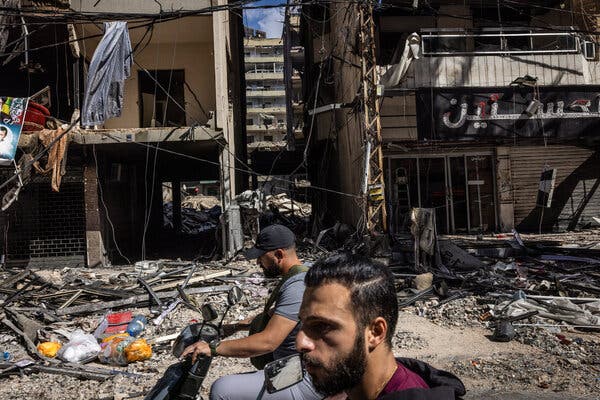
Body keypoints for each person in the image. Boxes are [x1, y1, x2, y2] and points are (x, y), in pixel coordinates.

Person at [296, 253, 465, 400]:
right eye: (302, 323)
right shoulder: (353, 388)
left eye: (322, 326)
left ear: (375, 332)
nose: (300, 342)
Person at [181, 224, 321, 400]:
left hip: (300, 375)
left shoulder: (298, 287)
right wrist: (233, 328)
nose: (258, 262)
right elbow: (275, 315)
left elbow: (267, 342)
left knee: (222, 390)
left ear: (278, 255)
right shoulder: (300, 274)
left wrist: (213, 348)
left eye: (261, 257)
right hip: (289, 367)